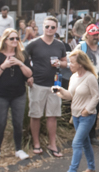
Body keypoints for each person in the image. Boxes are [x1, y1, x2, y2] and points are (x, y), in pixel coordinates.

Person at [54, 49, 99, 172]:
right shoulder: (73, 77)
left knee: (77, 142)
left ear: (80, 64)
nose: (69, 65)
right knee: (85, 142)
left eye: (72, 62)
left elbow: (96, 96)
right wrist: (60, 91)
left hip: (87, 116)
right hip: (75, 115)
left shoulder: (90, 77)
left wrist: (88, 109)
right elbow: (70, 95)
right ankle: (91, 168)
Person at [25, 16, 68, 158]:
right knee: (35, 115)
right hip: (37, 84)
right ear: (42, 27)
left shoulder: (60, 45)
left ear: (57, 29)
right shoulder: (34, 43)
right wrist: (28, 76)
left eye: (53, 27)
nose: (49, 29)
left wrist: (59, 64)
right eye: (47, 27)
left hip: (55, 84)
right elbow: (23, 58)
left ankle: (52, 144)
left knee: (52, 115)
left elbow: (65, 62)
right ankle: (36, 143)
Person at [0, 30, 32, 162]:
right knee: (0, 123)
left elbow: (29, 74)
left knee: (17, 123)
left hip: (18, 94)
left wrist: (20, 63)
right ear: (5, 40)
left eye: (17, 38)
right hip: (2, 94)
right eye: (12, 38)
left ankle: (18, 149)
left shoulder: (22, 54)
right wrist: (4, 65)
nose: (14, 41)